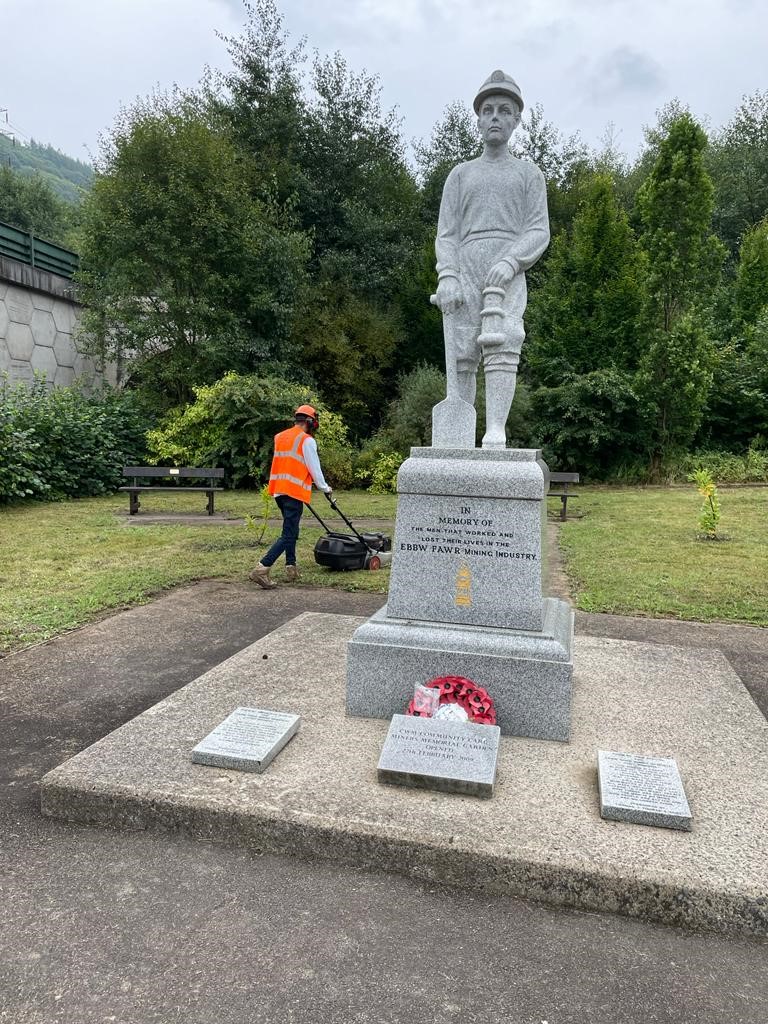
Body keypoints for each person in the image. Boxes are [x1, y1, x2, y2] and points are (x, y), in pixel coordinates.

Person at [434, 69, 550, 448]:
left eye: (504, 109)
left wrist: (512, 261)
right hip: (466, 269)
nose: (495, 116)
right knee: (463, 353)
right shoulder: (460, 175)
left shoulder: (529, 175)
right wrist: (448, 275)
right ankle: (459, 434)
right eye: (488, 110)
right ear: (479, 119)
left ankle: (495, 430)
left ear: (516, 119)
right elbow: (447, 234)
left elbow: (538, 230)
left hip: (506, 273)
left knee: (503, 346)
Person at [249, 404, 332, 589]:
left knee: (291, 530)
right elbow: (314, 468)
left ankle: (291, 566)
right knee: (289, 534)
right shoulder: (306, 440)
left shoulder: (280, 437)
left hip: (279, 491)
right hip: (293, 492)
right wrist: (325, 488)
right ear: (310, 422)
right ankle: (262, 568)